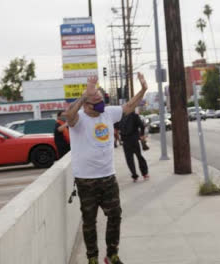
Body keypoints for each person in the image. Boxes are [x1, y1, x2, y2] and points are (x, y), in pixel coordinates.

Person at [65, 73, 148, 264]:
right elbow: (68, 116)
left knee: (115, 215)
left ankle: (111, 254)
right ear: (86, 104)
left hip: (108, 177)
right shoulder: (78, 119)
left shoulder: (108, 113)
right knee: (89, 222)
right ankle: (92, 258)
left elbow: (129, 106)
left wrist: (143, 90)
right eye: (96, 101)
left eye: (102, 100)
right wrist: (85, 94)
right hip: (86, 179)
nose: (101, 104)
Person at [119, 109, 149, 182]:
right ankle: (144, 173)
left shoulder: (120, 116)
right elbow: (142, 126)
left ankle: (135, 175)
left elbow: (116, 128)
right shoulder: (134, 115)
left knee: (129, 159)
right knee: (139, 156)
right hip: (134, 140)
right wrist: (141, 135)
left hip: (126, 141)